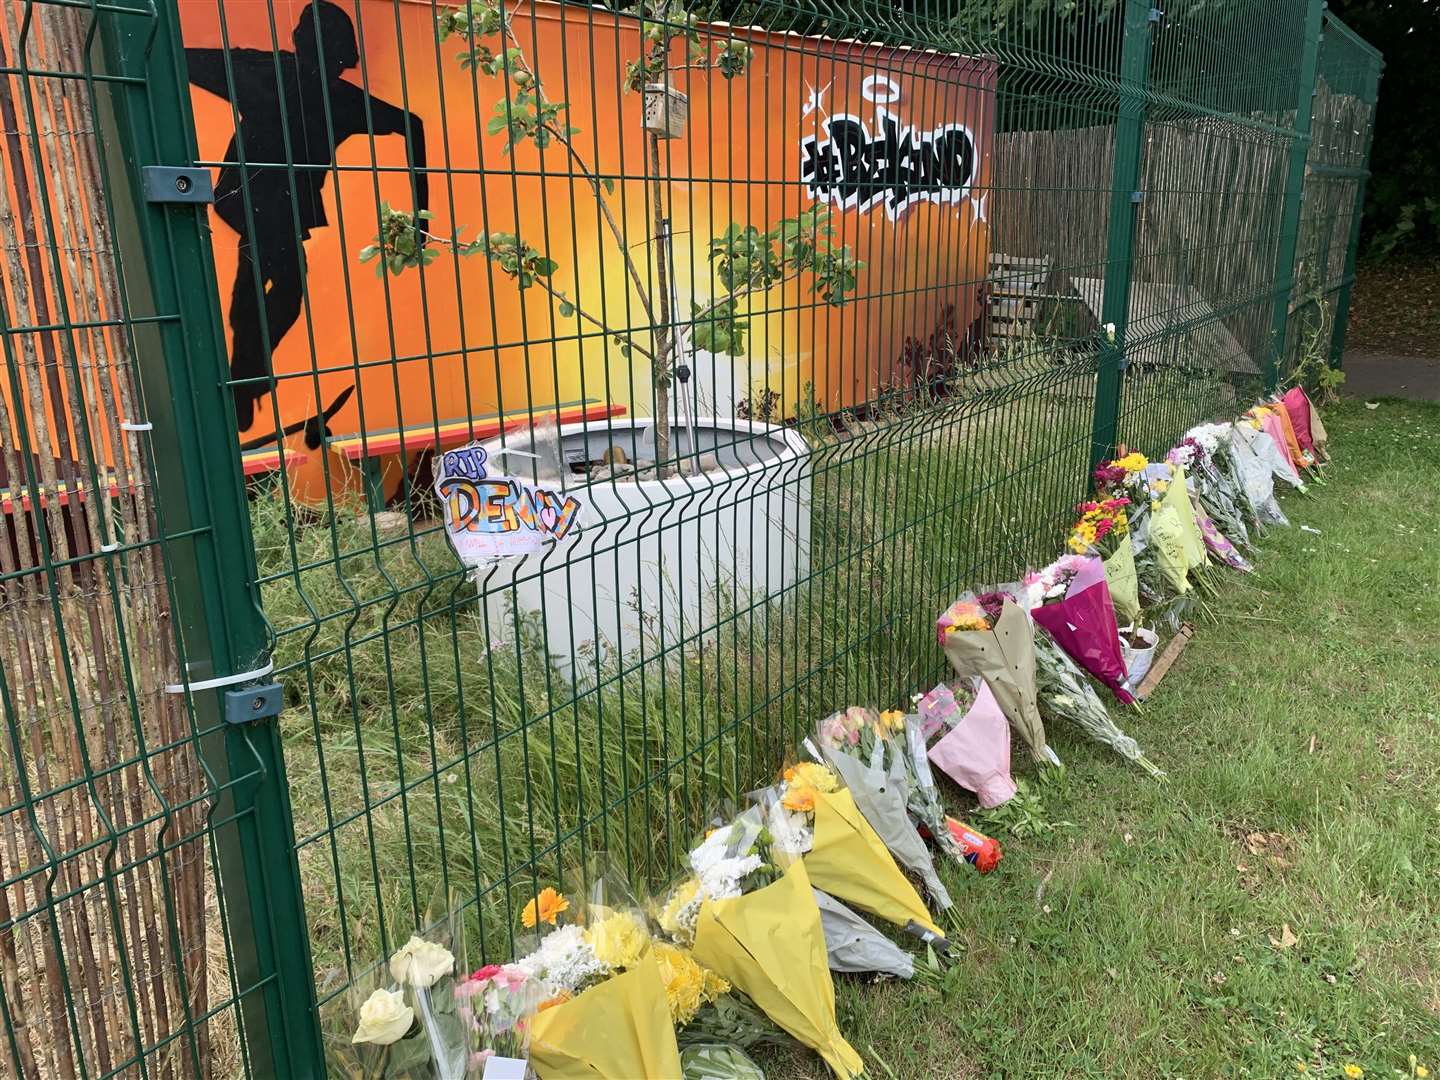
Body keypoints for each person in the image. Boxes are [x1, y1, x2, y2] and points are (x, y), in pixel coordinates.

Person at [187, 1, 429, 432]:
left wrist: (422, 215)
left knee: (264, 281)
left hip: (266, 204)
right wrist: (421, 214)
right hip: (256, 201)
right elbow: (185, 61)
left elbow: (411, 123)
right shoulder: (270, 74)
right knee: (279, 283)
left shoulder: (324, 92)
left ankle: (245, 377)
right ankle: (246, 377)